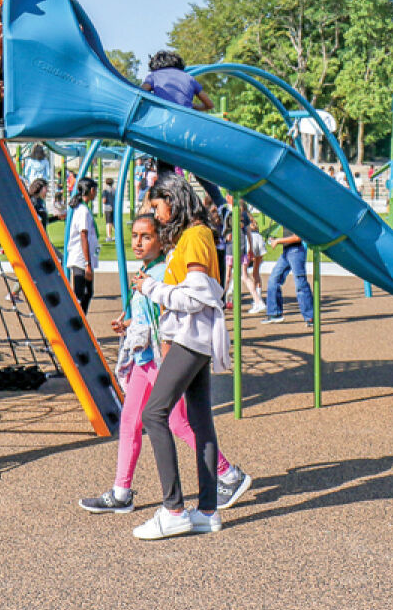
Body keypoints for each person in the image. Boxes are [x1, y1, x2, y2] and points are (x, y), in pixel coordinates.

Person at [79, 214, 250, 515]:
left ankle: (227, 473)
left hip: (160, 358)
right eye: (134, 235)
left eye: (146, 236)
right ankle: (122, 490)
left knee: (176, 421)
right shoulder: (147, 270)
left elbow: (168, 318)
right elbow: (149, 317)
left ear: (161, 239)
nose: (137, 242)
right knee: (130, 421)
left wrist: (170, 361)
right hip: (142, 358)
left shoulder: (163, 273)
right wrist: (130, 323)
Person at [130, 175, 232, 540]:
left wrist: (151, 288)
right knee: (202, 422)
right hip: (196, 339)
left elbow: (196, 297)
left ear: (174, 202)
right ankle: (207, 511)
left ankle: (173, 509)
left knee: (154, 414)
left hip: (192, 340)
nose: (155, 216)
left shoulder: (195, 237)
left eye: (158, 207)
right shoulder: (192, 238)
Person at [140, 51, 225, 207]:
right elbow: (209, 104)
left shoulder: (154, 77)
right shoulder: (188, 78)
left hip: (165, 130)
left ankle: (172, 203)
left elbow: (141, 93)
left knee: (165, 171)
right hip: (187, 130)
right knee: (197, 168)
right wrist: (191, 106)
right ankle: (220, 202)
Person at [261, 227, 313, 326]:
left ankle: (310, 317)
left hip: (296, 251)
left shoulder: (296, 215)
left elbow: (297, 238)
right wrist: (276, 240)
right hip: (287, 251)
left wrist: (278, 240)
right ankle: (274, 314)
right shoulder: (287, 217)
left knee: (300, 284)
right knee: (273, 280)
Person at [65, 177, 99, 313]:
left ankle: (81, 322)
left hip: (83, 258)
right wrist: (87, 263)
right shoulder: (83, 211)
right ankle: (77, 323)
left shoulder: (83, 209)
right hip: (80, 258)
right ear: (91, 190)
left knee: (87, 293)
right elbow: (83, 235)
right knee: (81, 294)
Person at [237, 201, 266, 313]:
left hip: (251, 241)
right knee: (255, 272)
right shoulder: (250, 216)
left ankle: (257, 300)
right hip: (259, 240)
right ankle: (258, 298)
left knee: (243, 273)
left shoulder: (241, 216)